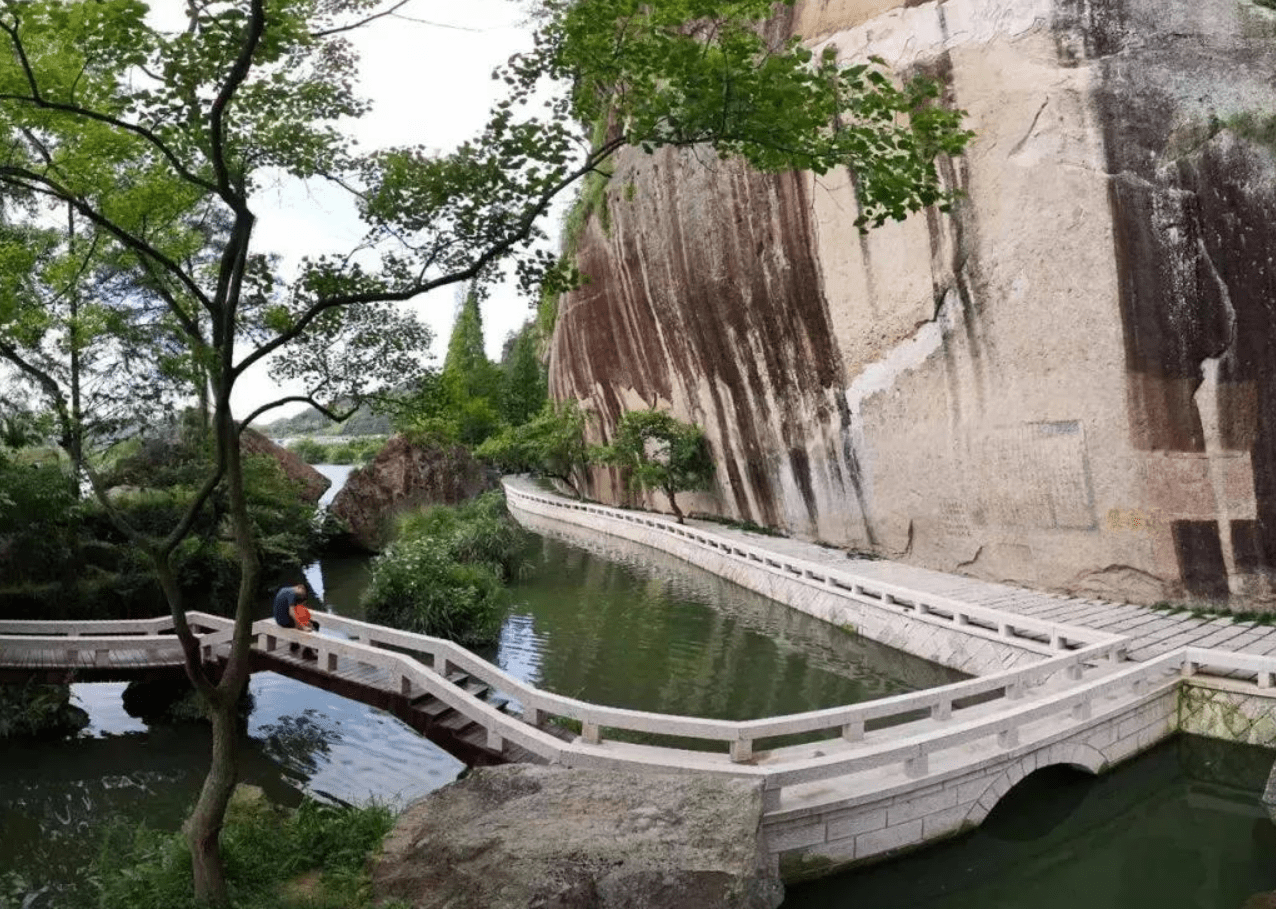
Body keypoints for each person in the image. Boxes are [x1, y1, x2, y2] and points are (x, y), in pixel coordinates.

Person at [273, 584, 318, 657]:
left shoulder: (284, 589)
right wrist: (302, 627)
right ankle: (307, 652)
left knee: (303, 621)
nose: (302, 595)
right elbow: (292, 612)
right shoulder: (292, 593)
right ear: (300, 588)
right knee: (311, 627)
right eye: (303, 593)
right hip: (284, 621)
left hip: (278, 618)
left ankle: (294, 644)